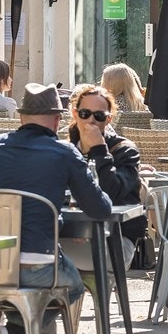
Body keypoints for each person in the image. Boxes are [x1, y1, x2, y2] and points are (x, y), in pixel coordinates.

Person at [0, 83, 113, 334]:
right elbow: (101, 209)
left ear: (21, 117)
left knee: (28, 289)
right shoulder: (64, 153)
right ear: (56, 120)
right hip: (40, 263)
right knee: (73, 287)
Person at [66, 83, 148, 254]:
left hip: (117, 237)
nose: (91, 120)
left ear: (109, 119)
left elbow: (111, 192)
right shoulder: (66, 150)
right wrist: (75, 225)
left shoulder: (125, 151)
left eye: (99, 115)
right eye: (84, 113)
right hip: (68, 234)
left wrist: (98, 149)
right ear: (75, 113)